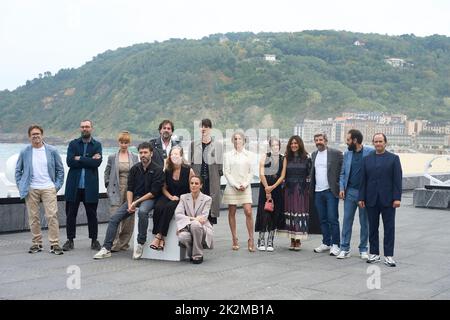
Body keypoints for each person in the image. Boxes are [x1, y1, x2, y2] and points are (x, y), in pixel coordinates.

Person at [94, 142, 164, 259]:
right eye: (141, 152)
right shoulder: (134, 169)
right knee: (114, 219)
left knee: (142, 212)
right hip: (135, 198)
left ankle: (140, 243)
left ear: (151, 153)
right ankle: (106, 248)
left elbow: (153, 192)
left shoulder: (157, 170)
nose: (143, 155)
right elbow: (130, 188)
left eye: (145, 152)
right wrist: (130, 204)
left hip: (150, 199)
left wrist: (135, 203)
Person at [15, 125, 65, 255]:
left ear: (42, 135)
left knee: (52, 216)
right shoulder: (25, 151)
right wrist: (22, 186)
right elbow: (18, 171)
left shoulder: (52, 150)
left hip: (49, 187)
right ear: (29, 136)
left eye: (38, 133)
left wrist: (56, 186)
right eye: (33, 134)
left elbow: (60, 170)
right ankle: (37, 243)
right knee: (33, 217)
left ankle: (54, 244)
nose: (36, 136)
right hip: (31, 188)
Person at [359, 133, 402, 267]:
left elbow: (397, 180)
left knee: (389, 228)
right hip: (371, 199)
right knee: (372, 227)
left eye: (380, 141)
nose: (378, 144)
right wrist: (361, 197)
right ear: (373, 143)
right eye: (376, 141)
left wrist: (397, 198)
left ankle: (389, 255)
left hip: (388, 200)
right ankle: (374, 254)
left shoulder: (394, 159)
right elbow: (363, 180)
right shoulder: (366, 159)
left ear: (385, 143)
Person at [63, 120, 103, 251]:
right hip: (73, 186)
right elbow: (69, 162)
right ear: (80, 128)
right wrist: (90, 159)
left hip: (90, 187)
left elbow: (97, 164)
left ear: (91, 128)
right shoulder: (73, 144)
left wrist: (79, 158)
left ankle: (94, 240)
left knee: (92, 215)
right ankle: (70, 240)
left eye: (87, 126)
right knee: (70, 214)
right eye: (83, 127)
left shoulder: (97, 145)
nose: (85, 129)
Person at [337, 129, 374, 260]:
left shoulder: (370, 152)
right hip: (350, 192)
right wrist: (341, 187)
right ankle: (344, 248)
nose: (346, 142)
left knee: (365, 222)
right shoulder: (347, 153)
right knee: (347, 220)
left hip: (364, 193)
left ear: (355, 140)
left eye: (348, 140)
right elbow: (342, 173)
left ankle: (363, 249)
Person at [149, 146, 194, 251]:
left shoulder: (188, 170)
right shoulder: (168, 169)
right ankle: (160, 237)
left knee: (169, 207)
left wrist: (182, 199)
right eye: (172, 154)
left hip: (183, 197)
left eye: (176, 154)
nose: (174, 156)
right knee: (159, 206)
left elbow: (193, 188)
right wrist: (170, 196)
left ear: (181, 156)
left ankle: (159, 236)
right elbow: (164, 188)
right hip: (169, 194)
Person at [104, 131, 139, 252]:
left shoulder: (134, 157)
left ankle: (123, 243)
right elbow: (107, 172)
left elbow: (137, 173)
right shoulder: (112, 157)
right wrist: (108, 186)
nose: (123, 144)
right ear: (118, 142)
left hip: (130, 190)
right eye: (121, 142)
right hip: (116, 190)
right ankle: (112, 243)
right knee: (114, 216)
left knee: (129, 218)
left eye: (126, 142)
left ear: (129, 143)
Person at [311, 133, 343, 256]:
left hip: (330, 191)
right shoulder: (314, 154)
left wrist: (340, 185)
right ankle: (326, 243)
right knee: (322, 219)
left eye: (320, 140)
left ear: (326, 141)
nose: (318, 142)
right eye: (316, 140)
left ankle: (336, 245)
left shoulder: (335, 153)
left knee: (332, 219)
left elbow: (342, 170)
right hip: (318, 191)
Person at [223, 130, 255, 252]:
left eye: (239, 138)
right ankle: (234, 238)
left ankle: (251, 238)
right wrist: (235, 185)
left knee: (248, 211)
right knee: (232, 212)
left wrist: (245, 184)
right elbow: (227, 172)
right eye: (235, 139)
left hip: (245, 186)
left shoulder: (250, 155)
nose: (237, 141)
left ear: (244, 140)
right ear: (233, 141)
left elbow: (251, 172)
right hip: (232, 186)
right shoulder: (228, 155)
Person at [278, 136, 311, 251]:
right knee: (290, 213)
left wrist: (306, 189)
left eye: (296, 143)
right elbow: (282, 175)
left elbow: (309, 175)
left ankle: (298, 240)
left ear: (300, 144)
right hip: (289, 190)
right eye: (291, 143)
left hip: (301, 190)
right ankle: (292, 239)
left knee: (299, 213)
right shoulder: (286, 158)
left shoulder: (306, 158)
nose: (293, 145)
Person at [255, 136, 286, 252]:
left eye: (277, 145)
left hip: (277, 189)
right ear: (270, 146)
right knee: (264, 213)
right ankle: (261, 239)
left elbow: (282, 176)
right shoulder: (265, 156)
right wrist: (267, 187)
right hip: (264, 187)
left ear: (280, 146)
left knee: (275, 213)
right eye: (273, 145)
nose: (275, 147)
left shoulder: (283, 159)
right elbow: (261, 173)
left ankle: (270, 240)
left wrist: (273, 187)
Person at [190, 119, 223, 225]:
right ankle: (199, 234)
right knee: (197, 207)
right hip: (197, 180)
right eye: (201, 126)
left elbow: (220, 166)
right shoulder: (193, 144)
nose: (203, 128)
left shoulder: (218, 145)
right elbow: (190, 165)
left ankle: (208, 234)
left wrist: (217, 179)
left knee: (210, 208)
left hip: (211, 180)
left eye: (206, 126)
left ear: (210, 129)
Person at [175, 175, 214, 264]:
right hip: (188, 228)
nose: (193, 185)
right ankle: (191, 254)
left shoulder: (207, 199)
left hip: (202, 228)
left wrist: (188, 220)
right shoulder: (183, 197)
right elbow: (178, 214)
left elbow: (203, 218)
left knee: (196, 225)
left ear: (201, 185)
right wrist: (194, 218)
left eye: (196, 183)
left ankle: (198, 255)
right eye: (192, 183)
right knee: (182, 236)